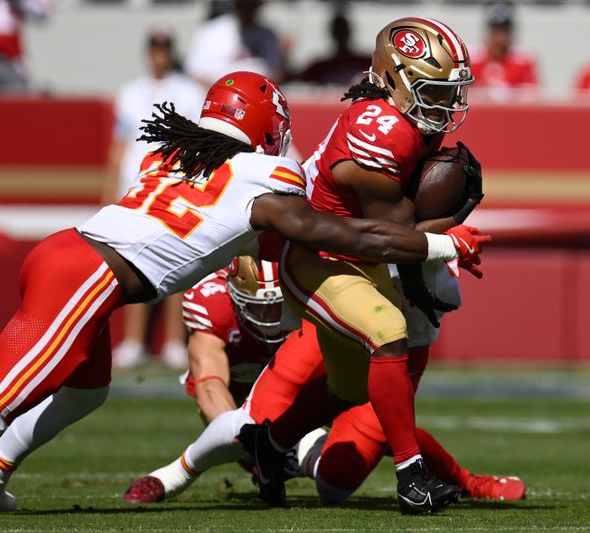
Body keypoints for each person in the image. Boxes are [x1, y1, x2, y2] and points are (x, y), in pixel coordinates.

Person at [0, 70, 487, 515]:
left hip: (74, 256)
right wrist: (436, 241)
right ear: (266, 126)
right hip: (90, 273)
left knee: (86, 390)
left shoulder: (175, 152)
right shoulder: (265, 176)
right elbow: (342, 235)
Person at [257, 18, 484, 514]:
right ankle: (412, 477)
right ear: (393, 79)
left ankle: (269, 446)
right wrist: (454, 224)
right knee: (388, 330)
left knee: (350, 390)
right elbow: (394, 236)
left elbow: (387, 234)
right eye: (433, 91)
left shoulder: (409, 123)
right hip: (318, 256)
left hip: (360, 251)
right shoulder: (379, 131)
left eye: (451, 92)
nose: (446, 105)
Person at [122, 264, 525, 505]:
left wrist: (438, 244)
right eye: (258, 304)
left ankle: (467, 479)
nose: (269, 315)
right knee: (249, 425)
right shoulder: (211, 303)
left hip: (345, 342)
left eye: (275, 303)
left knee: (337, 482)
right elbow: (211, 390)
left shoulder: (306, 287)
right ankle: (172, 474)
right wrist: (245, 449)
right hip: (279, 370)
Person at [101, 29, 205, 369]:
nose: (159, 56)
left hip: (173, 188)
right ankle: (133, 341)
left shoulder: (189, 92)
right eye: (155, 50)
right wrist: (109, 192)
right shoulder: (130, 93)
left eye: (164, 50)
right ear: (149, 53)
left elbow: (195, 144)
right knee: (134, 265)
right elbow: (120, 144)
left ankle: (174, 341)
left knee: (176, 266)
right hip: (135, 189)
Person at [180, 255, 292, 424]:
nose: (270, 316)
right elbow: (210, 386)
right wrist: (238, 436)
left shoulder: (310, 296)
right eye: (259, 306)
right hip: (236, 394)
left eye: (278, 305)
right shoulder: (215, 302)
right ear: (235, 296)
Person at [185, 0, 286, 86]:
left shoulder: (267, 35)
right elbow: (194, 73)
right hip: (220, 98)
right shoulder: (211, 31)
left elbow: (276, 73)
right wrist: (224, 90)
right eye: (243, 6)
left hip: (258, 99)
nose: (247, 10)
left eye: (251, 5)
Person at [469, 3, 538, 98]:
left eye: (504, 30)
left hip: (514, 112)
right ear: (489, 31)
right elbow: (463, 94)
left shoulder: (523, 60)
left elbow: (531, 96)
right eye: (496, 30)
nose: (500, 37)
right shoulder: (472, 58)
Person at [293, 10, 371, 87]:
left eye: (343, 32)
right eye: (338, 32)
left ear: (349, 32)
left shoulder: (367, 63)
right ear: (333, 34)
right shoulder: (318, 68)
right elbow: (296, 82)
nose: (341, 36)